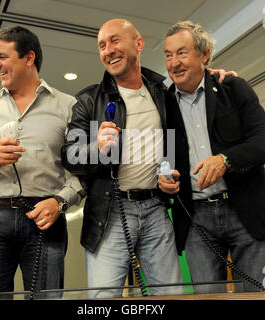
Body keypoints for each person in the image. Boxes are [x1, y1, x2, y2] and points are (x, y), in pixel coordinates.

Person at [61, 18, 232, 298]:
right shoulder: (90, 100)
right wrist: (96, 147)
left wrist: (168, 175)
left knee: (170, 296)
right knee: (103, 300)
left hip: (155, 210)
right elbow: (70, 155)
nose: (108, 50)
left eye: (115, 40)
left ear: (138, 44)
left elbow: (170, 146)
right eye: (102, 45)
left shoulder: (164, 95)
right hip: (109, 213)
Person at [0, 26, 84, 297]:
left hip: (45, 218)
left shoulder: (68, 106)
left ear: (29, 58)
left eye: (2, 56)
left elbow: (85, 171)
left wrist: (60, 202)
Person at [158, 21, 265, 293]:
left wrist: (225, 159)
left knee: (257, 296)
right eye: (168, 55)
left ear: (204, 54)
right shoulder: (163, 105)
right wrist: (164, 178)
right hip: (197, 220)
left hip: (246, 212)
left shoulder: (232, 87)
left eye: (182, 53)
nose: (174, 63)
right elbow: (165, 156)